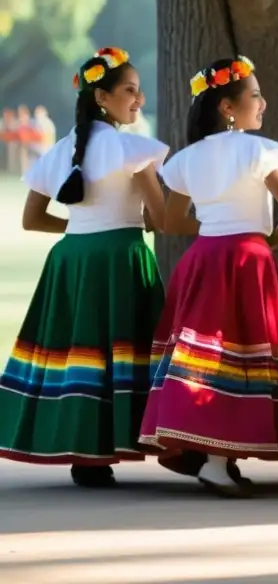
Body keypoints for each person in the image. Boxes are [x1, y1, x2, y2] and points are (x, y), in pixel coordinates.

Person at [0, 48, 168, 487]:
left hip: (72, 261)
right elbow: (163, 220)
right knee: (123, 351)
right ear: (102, 96)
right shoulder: (133, 149)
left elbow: (32, 219)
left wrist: (82, 230)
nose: (138, 99)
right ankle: (162, 439)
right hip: (121, 258)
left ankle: (87, 455)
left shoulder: (59, 150)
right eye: (130, 90)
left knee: (81, 354)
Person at [139, 55, 278, 498]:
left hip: (204, 260)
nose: (263, 103)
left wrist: (215, 229)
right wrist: (267, 241)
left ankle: (219, 457)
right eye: (254, 95)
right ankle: (216, 462)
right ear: (228, 107)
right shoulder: (258, 150)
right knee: (241, 354)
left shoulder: (186, 159)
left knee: (210, 354)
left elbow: (172, 222)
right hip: (248, 261)